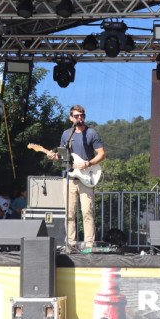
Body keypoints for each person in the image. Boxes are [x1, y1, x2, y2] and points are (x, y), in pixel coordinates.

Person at [47, 105, 105, 251]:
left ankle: (89, 245)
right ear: (71, 118)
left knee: (87, 211)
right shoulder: (66, 134)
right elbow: (63, 155)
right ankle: (70, 244)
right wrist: (54, 156)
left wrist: (88, 163)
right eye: (77, 116)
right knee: (69, 213)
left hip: (87, 177)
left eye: (82, 115)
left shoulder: (91, 133)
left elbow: (101, 154)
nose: (80, 118)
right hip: (69, 177)